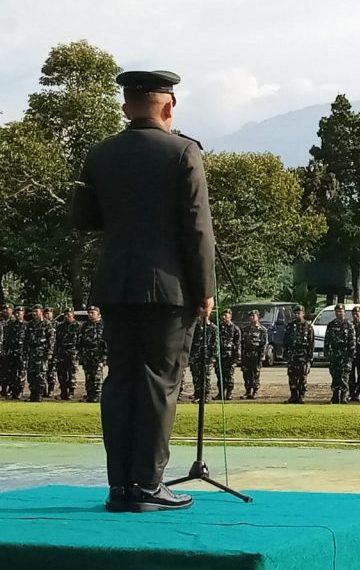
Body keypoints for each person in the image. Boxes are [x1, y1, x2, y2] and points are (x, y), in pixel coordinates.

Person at [71, 69, 214, 512]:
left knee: (120, 384)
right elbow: (197, 228)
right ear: (168, 105)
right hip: (169, 290)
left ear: (125, 105)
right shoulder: (184, 151)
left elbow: (82, 218)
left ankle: (120, 488)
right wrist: (205, 288)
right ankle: (148, 486)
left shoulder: (100, 154)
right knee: (159, 383)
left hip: (114, 284)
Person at [324, 303, 355, 404]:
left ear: (344, 312)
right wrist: (327, 353)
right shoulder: (331, 325)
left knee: (344, 375)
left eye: (341, 311)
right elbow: (327, 340)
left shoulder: (349, 325)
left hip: (345, 354)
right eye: (337, 311)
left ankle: (344, 396)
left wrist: (351, 355)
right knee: (335, 375)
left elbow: (352, 341)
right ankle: (335, 395)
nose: (339, 313)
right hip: (334, 353)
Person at [283, 305, 314, 404]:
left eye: (299, 313)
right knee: (292, 377)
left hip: (303, 356)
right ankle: (293, 396)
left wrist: (309, 358)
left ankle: (301, 396)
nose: (297, 315)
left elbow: (311, 343)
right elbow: (286, 341)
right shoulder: (290, 326)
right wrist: (286, 354)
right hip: (292, 355)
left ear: (303, 314)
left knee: (302, 377)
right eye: (295, 313)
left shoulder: (308, 327)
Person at [24, 305, 55, 402]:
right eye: (33, 312)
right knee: (31, 374)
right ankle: (33, 395)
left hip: (42, 353)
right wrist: (25, 351)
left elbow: (51, 339)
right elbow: (26, 339)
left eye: (36, 311)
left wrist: (50, 352)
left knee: (40, 374)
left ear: (41, 312)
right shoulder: (30, 324)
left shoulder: (47, 324)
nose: (34, 313)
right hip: (32, 352)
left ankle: (39, 395)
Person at [77, 306, 106, 403]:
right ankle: (90, 395)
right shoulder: (85, 326)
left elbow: (107, 343)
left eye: (92, 312)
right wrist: (80, 355)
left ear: (99, 314)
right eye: (89, 312)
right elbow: (79, 342)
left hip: (98, 356)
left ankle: (97, 396)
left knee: (97, 377)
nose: (90, 314)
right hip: (87, 356)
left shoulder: (103, 325)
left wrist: (104, 358)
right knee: (88, 377)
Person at [54, 307, 82, 400]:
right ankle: (63, 392)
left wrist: (79, 353)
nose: (67, 317)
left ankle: (71, 392)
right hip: (61, 351)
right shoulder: (60, 326)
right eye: (65, 315)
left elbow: (80, 341)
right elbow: (56, 340)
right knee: (61, 373)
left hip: (72, 351)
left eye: (69, 315)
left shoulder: (78, 326)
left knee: (71, 373)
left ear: (73, 315)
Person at [239, 309, 268, 399]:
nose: (251, 318)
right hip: (246, 354)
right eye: (250, 316)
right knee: (246, 373)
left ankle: (255, 391)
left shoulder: (262, 330)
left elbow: (264, 343)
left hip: (256, 353)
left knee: (255, 373)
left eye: (253, 316)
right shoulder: (245, 329)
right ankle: (248, 391)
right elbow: (241, 342)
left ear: (258, 317)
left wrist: (262, 355)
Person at [214, 309, 241, 400]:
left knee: (229, 375)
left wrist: (236, 357)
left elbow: (237, 344)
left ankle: (229, 393)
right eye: (223, 315)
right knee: (219, 375)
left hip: (230, 356)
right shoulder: (218, 328)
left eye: (225, 315)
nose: (223, 317)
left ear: (230, 317)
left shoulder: (235, 328)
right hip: (220, 356)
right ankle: (220, 393)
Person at [189, 315, 217, 403]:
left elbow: (215, 343)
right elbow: (191, 341)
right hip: (195, 355)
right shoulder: (195, 327)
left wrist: (213, 356)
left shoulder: (213, 328)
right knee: (196, 376)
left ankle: (206, 395)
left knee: (206, 376)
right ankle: (197, 395)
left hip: (207, 356)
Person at [3, 307, 27, 399]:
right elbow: (7, 339)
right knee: (12, 373)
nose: (17, 314)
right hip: (12, 352)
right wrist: (5, 349)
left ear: (23, 313)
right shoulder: (11, 325)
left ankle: (20, 391)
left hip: (22, 352)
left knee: (21, 372)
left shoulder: (26, 325)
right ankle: (13, 391)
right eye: (16, 313)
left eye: (19, 312)